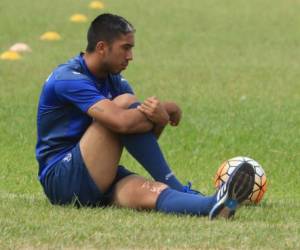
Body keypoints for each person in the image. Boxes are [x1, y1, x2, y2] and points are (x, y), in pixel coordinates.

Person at [36, 13, 255, 219]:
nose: (130, 56)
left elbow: (138, 139)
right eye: (125, 48)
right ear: (102, 47)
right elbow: (122, 123)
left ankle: (213, 206)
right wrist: (166, 109)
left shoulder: (116, 81)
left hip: (97, 173)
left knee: (153, 191)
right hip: (62, 180)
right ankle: (181, 188)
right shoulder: (68, 78)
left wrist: (159, 119)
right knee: (123, 104)